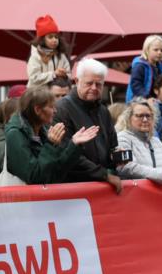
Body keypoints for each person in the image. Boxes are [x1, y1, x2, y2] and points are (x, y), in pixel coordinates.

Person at [53, 58, 123, 194]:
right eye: (89, 83)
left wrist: (117, 157)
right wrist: (104, 175)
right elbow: (66, 154)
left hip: (102, 187)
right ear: (76, 81)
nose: (94, 88)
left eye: (99, 84)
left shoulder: (103, 111)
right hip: (72, 188)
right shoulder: (62, 109)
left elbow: (112, 145)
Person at [5, 86, 98, 185]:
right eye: (51, 107)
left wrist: (74, 145)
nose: (55, 111)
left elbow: (57, 170)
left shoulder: (43, 130)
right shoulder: (15, 134)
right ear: (37, 110)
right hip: (23, 194)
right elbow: (34, 177)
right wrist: (50, 145)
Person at [116, 101, 162, 184]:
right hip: (135, 191)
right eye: (140, 116)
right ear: (129, 118)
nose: (145, 119)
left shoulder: (155, 141)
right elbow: (127, 167)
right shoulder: (122, 138)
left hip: (161, 191)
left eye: (148, 116)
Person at [27, 14, 72, 88]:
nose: (54, 40)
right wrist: (54, 74)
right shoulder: (36, 56)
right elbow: (34, 78)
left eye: (56, 37)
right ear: (42, 39)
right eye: (50, 37)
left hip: (58, 93)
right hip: (37, 94)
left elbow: (69, 75)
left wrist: (65, 75)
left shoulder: (61, 56)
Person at [126, 34, 162, 103]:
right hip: (137, 100)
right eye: (156, 50)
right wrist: (147, 97)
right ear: (147, 50)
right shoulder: (140, 66)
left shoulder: (160, 66)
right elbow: (136, 85)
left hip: (155, 100)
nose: (159, 52)